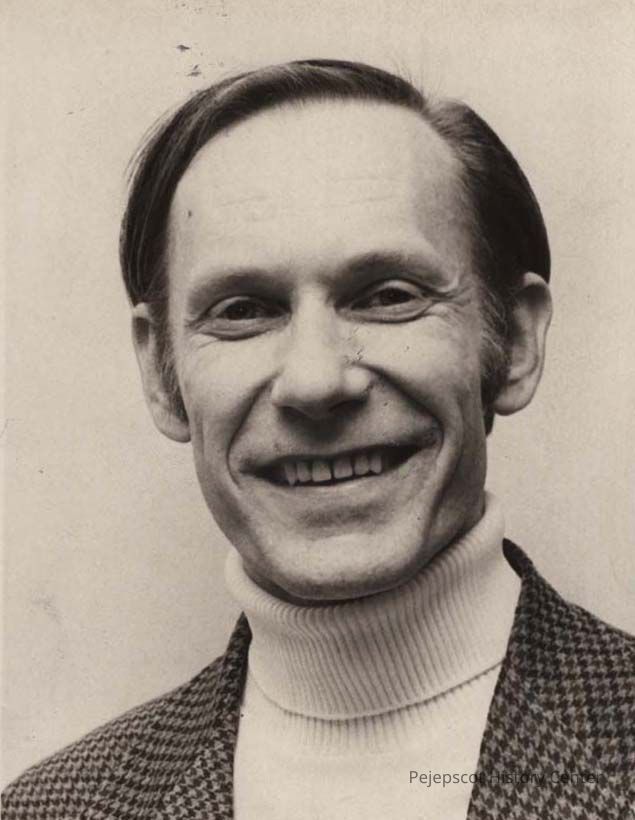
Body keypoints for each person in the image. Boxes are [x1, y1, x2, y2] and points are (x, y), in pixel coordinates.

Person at [3, 59, 633, 820]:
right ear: (162, 375)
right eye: (243, 310)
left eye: (388, 296)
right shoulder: (48, 808)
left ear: (517, 343)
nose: (314, 380)